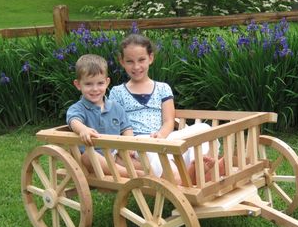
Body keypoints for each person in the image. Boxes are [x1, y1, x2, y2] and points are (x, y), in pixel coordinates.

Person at [109, 33, 224, 185]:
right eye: (130, 61)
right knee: (154, 150)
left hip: (163, 138)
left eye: (141, 60)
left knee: (204, 128)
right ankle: (182, 179)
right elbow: (116, 123)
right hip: (137, 142)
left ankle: (199, 166)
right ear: (122, 61)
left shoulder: (163, 88)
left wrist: (161, 136)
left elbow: (169, 121)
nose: (136, 66)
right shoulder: (117, 92)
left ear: (150, 58)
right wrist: (127, 143)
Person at [66, 54, 141, 178]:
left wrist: (129, 144)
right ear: (78, 84)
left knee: (142, 165)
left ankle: (145, 174)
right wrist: (83, 129)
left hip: (114, 154)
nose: (95, 89)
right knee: (89, 156)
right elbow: (74, 120)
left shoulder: (116, 107)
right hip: (91, 158)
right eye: (88, 84)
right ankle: (130, 175)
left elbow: (126, 128)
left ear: (107, 83)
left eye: (100, 83)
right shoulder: (78, 108)